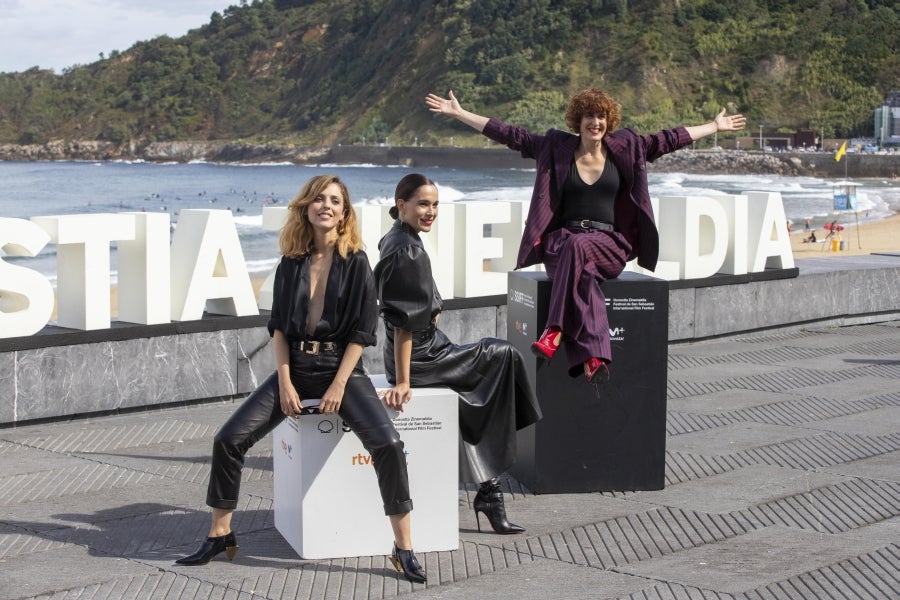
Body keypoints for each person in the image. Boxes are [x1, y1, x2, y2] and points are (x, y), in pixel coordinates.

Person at [175, 174, 426, 584]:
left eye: (334, 201)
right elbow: (279, 329)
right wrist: (286, 383)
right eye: (318, 199)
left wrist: (339, 385)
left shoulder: (358, 261)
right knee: (228, 438)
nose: (325, 206)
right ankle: (220, 534)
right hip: (294, 369)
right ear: (306, 207)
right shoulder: (290, 262)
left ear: (344, 213)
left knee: (388, 444)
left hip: (340, 370)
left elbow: (362, 333)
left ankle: (403, 547)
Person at [425, 89, 746, 384]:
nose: (596, 122)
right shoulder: (555, 147)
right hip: (562, 245)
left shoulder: (627, 147)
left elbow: (669, 139)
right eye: (589, 116)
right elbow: (512, 135)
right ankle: (593, 357)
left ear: (610, 121)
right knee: (582, 267)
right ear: (577, 121)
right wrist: (461, 114)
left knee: (581, 250)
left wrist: (714, 127)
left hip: (610, 245)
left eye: (601, 116)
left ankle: (554, 330)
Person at [374, 173, 542, 535]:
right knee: (504, 356)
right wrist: (403, 381)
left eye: (435, 205)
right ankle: (492, 486)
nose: (430, 211)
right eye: (422, 204)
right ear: (401, 205)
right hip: (422, 358)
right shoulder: (407, 250)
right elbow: (403, 324)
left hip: (423, 349)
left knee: (477, 391)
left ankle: (489, 491)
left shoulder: (397, 238)